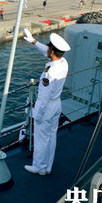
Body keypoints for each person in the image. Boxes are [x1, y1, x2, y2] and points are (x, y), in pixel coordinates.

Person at [23, 28, 70, 175]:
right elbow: (47, 52)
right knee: (51, 136)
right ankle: (48, 166)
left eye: (49, 47)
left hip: (47, 106)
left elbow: (43, 98)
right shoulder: (63, 62)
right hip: (57, 104)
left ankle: (38, 167)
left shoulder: (49, 73)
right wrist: (34, 41)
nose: (47, 49)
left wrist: (37, 114)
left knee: (41, 138)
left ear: (53, 51)